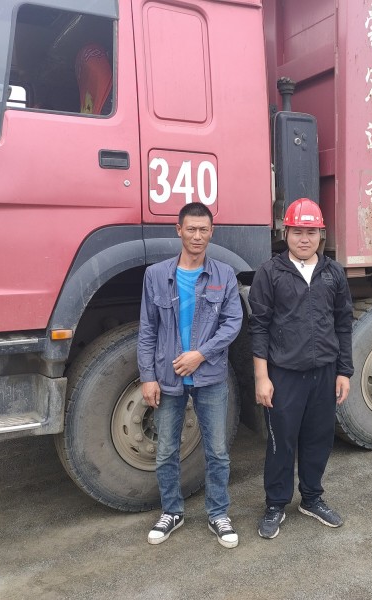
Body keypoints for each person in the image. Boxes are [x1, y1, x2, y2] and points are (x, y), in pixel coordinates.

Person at [138, 202, 242, 548]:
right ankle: (172, 511)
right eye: (191, 229)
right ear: (178, 230)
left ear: (212, 232)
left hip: (209, 375)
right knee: (167, 450)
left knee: (217, 451)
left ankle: (218, 513)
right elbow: (147, 330)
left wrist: (200, 355)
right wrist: (148, 376)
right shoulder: (156, 275)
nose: (197, 236)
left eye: (203, 230)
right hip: (167, 378)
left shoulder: (224, 275)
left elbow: (233, 323)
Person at [248, 198, 354, 539]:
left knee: (318, 439)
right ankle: (276, 504)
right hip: (284, 374)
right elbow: (259, 327)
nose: (304, 239)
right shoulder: (270, 273)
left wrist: (344, 371)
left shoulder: (333, 273)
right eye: (297, 232)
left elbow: (343, 323)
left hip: (324, 373)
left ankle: (311, 498)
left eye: (311, 232)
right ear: (286, 233)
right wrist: (262, 377)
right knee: (281, 442)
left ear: (321, 234)